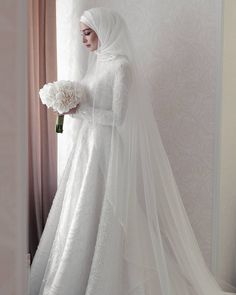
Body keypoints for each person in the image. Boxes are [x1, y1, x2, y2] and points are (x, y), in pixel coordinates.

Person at [29, 7, 229, 295]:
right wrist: (71, 108)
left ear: (104, 29)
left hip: (107, 150)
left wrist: (80, 110)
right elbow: (94, 106)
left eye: (87, 33)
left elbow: (119, 118)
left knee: (108, 210)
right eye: (82, 34)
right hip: (87, 149)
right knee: (80, 210)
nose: (83, 40)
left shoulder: (121, 66)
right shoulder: (97, 63)